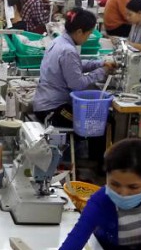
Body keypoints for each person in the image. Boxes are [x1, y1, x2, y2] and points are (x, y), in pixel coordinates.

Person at [32, 9, 118, 178]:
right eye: (88, 34)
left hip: (45, 101)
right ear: (79, 32)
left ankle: (91, 159)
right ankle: (98, 166)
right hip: (52, 110)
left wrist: (100, 62)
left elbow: (76, 65)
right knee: (105, 120)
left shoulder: (59, 42)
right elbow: (77, 85)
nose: (87, 38)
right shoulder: (68, 50)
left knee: (100, 118)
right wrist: (102, 72)